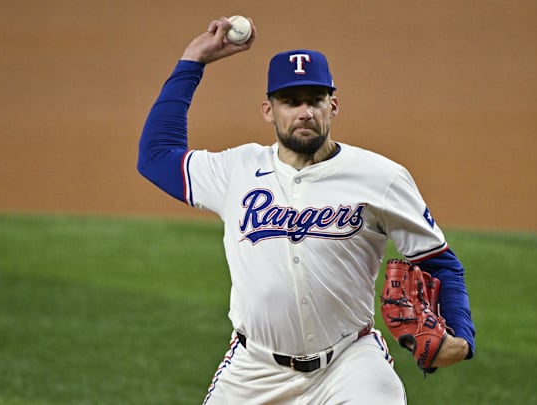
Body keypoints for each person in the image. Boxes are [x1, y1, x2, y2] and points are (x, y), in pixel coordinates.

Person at [138, 16, 476, 405]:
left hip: (350, 363)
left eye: (314, 100)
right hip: (254, 369)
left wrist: (461, 337)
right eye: (290, 101)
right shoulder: (236, 171)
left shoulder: (381, 177)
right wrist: (192, 61)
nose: (304, 112)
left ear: (333, 106)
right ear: (269, 110)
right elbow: (156, 156)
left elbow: (439, 261)